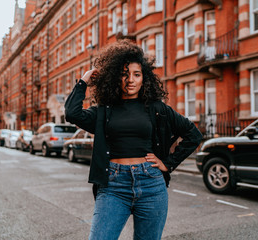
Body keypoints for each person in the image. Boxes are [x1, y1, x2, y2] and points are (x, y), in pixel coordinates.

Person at [64, 39, 202, 240]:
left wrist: (168, 164)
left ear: (144, 78)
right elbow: (72, 114)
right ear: (114, 77)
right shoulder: (104, 110)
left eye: (136, 74)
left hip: (151, 185)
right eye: (124, 74)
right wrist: (84, 81)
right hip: (113, 186)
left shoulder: (156, 108)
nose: (130, 80)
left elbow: (193, 134)